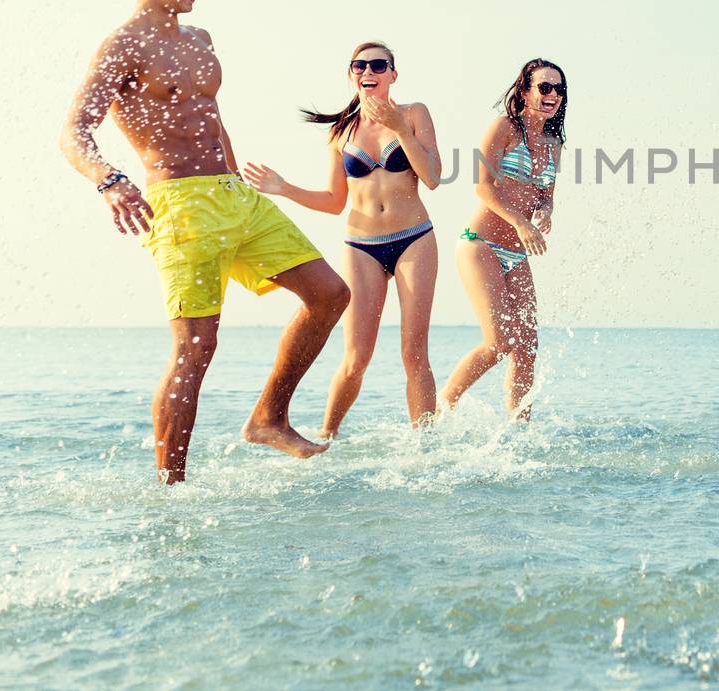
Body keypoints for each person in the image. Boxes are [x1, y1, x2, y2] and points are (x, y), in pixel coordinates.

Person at [58, 0, 349, 483]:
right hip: (179, 205)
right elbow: (73, 133)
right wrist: (110, 181)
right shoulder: (122, 46)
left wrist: (239, 180)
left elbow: (212, 119)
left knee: (330, 294)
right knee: (196, 347)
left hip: (232, 195)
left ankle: (268, 417)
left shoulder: (200, 40)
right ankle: (172, 490)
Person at [242, 42, 442, 434]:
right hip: (362, 245)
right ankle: (326, 437)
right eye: (360, 65)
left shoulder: (414, 114)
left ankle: (427, 446)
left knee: (413, 354)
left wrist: (401, 130)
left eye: (379, 65)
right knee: (355, 357)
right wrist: (284, 188)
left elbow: (433, 177)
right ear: (352, 74)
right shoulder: (341, 132)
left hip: (414, 238)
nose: (369, 71)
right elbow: (335, 202)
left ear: (392, 75)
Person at [440, 59, 566, 419]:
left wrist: (546, 212)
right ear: (525, 90)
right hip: (480, 245)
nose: (552, 95)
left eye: (558, 89)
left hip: (516, 254)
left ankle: (518, 432)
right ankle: (440, 408)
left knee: (527, 346)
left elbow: (546, 195)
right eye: (544, 87)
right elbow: (482, 186)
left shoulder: (553, 143)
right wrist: (520, 224)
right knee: (499, 342)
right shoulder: (505, 128)